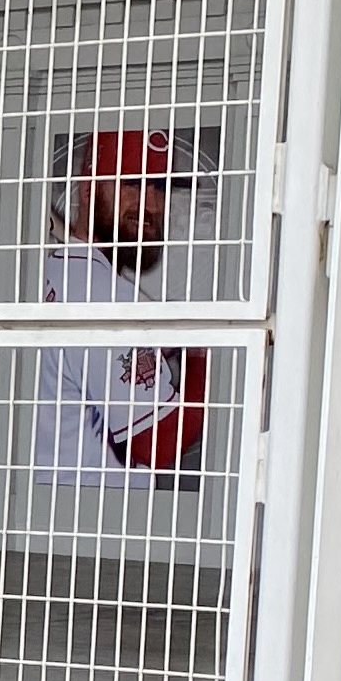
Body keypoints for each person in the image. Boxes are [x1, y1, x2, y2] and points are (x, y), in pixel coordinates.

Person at [34, 126, 211, 487]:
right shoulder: (107, 298)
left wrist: (151, 343)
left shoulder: (53, 271)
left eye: (159, 187)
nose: (151, 204)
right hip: (95, 511)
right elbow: (157, 443)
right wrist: (202, 353)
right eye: (132, 184)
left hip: (51, 501)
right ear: (88, 189)